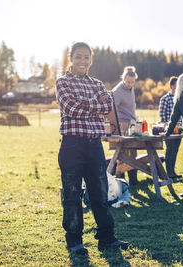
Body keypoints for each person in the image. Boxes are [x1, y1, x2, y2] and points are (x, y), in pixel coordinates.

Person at [56, 42, 129, 254]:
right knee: (72, 196)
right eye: (78, 56)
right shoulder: (62, 82)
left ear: (91, 60)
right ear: (71, 58)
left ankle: (107, 238)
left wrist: (86, 106)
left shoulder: (97, 84)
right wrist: (94, 107)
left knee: (100, 193)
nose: (82, 61)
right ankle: (75, 241)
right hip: (72, 146)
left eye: (86, 57)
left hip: (95, 146)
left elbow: (108, 106)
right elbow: (70, 108)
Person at [112, 66, 138, 185]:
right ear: (123, 79)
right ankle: (120, 179)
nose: (130, 84)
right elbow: (112, 108)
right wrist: (118, 124)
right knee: (122, 153)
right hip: (122, 124)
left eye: (132, 82)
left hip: (132, 123)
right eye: (128, 82)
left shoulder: (131, 88)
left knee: (133, 151)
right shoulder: (117, 91)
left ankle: (133, 180)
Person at [159, 76, 182, 179]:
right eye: (177, 85)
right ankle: (168, 173)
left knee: (175, 150)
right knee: (170, 150)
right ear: (172, 86)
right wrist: (168, 127)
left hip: (179, 130)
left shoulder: (180, 98)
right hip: (169, 130)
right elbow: (162, 115)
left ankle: (172, 171)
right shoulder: (165, 99)